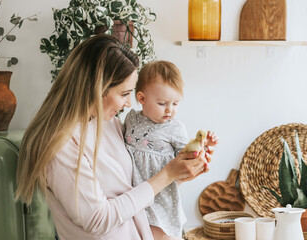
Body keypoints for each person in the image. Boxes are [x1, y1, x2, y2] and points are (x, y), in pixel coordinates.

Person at [15, 34, 212, 240]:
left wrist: (182, 171)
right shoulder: (59, 143)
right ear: (97, 88)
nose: (129, 104)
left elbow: (137, 189)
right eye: (124, 94)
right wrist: (167, 175)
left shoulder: (109, 123)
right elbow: (97, 219)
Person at [124, 60, 219, 239]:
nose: (170, 110)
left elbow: (188, 155)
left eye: (175, 103)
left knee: (160, 233)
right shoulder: (131, 120)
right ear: (142, 99)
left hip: (161, 197)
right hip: (134, 194)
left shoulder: (174, 128)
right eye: (162, 103)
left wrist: (204, 145)